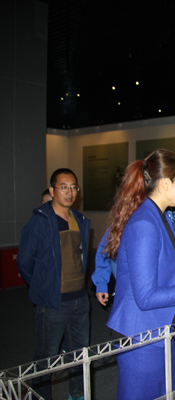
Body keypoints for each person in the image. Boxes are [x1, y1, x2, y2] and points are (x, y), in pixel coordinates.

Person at [104, 149, 175, 400]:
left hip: (158, 329)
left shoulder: (158, 216)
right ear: (166, 183)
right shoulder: (145, 223)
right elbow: (145, 297)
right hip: (141, 335)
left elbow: (160, 272)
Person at [18, 168, 91, 400]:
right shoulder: (40, 221)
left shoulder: (79, 220)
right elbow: (24, 262)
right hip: (52, 303)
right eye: (63, 187)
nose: (70, 192)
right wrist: (43, 287)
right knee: (45, 358)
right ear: (52, 190)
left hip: (79, 300)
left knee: (79, 355)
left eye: (74, 187)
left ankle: (77, 395)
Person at [92, 152, 175, 307]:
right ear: (166, 181)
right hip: (146, 303)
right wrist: (101, 281)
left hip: (172, 294)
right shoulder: (143, 221)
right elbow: (108, 245)